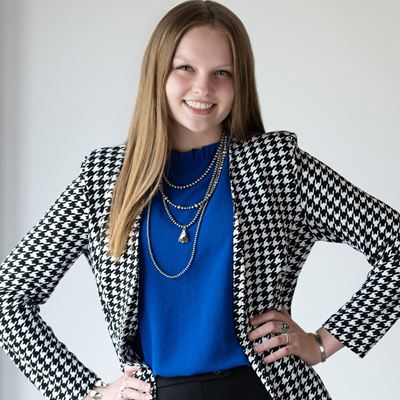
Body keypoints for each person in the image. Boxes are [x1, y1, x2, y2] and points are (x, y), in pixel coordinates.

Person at [0, 1, 399, 399]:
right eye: (185, 68)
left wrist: (322, 343)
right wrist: (89, 393)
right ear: (158, 72)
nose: (202, 88)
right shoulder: (106, 180)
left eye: (221, 72)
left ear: (240, 81)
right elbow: (9, 297)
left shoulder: (276, 167)